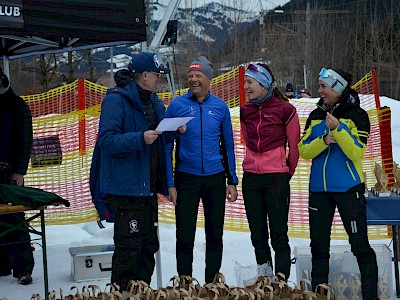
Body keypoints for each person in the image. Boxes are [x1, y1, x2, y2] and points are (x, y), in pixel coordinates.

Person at [298, 68, 379, 299]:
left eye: (324, 86)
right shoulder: (315, 115)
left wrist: (338, 129)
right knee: (319, 248)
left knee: (359, 245)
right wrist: (324, 140)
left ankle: (371, 296)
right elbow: (303, 150)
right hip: (319, 191)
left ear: (338, 88)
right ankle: (318, 295)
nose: (319, 91)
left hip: (348, 189)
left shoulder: (358, 115)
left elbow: (356, 151)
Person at [94, 52, 171, 290]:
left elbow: (161, 133)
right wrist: (139, 138)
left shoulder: (153, 100)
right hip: (126, 189)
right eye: (157, 74)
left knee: (148, 248)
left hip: (147, 189)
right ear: (145, 75)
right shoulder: (116, 100)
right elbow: (106, 141)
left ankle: (141, 293)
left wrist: (176, 128)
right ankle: (121, 294)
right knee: (129, 250)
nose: (159, 79)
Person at [165, 56, 238, 283]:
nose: (193, 79)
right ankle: (185, 283)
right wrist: (170, 183)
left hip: (215, 178)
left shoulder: (220, 107)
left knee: (215, 234)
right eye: (190, 76)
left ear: (209, 79)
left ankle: (211, 283)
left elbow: (228, 145)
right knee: (184, 235)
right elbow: (166, 146)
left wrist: (232, 180)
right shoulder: (177, 106)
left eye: (198, 75)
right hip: (186, 178)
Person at [240, 63, 300, 281]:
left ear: (264, 84)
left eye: (250, 82)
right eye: (245, 82)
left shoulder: (286, 109)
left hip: (276, 178)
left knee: (278, 235)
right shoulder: (245, 110)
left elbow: (294, 146)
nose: (245, 86)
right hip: (251, 179)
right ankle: (265, 281)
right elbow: (247, 141)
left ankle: (281, 282)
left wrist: (285, 174)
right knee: (258, 235)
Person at [0, 69, 34, 285]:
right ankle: (2, 265)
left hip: (9, 171)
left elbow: (25, 140)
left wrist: (20, 170)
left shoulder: (17, 105)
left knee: (15, 220)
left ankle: (22, 269)